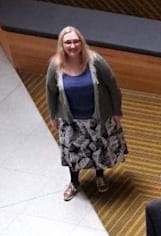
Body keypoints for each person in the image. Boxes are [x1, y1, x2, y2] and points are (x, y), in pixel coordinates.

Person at [46, 25, 127, 201]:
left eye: (76, 41)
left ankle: (100, 176)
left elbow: (112, 86)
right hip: (71, 120)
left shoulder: (95, 61)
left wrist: (116, 110)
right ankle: (74, 182)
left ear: (81, 42)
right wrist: (53, 115)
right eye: (68, 42)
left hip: (97, 117)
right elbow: (51, 91)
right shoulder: (55, 65)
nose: (73, 45)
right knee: (73, 154)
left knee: (99, 148)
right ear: (62, 45)